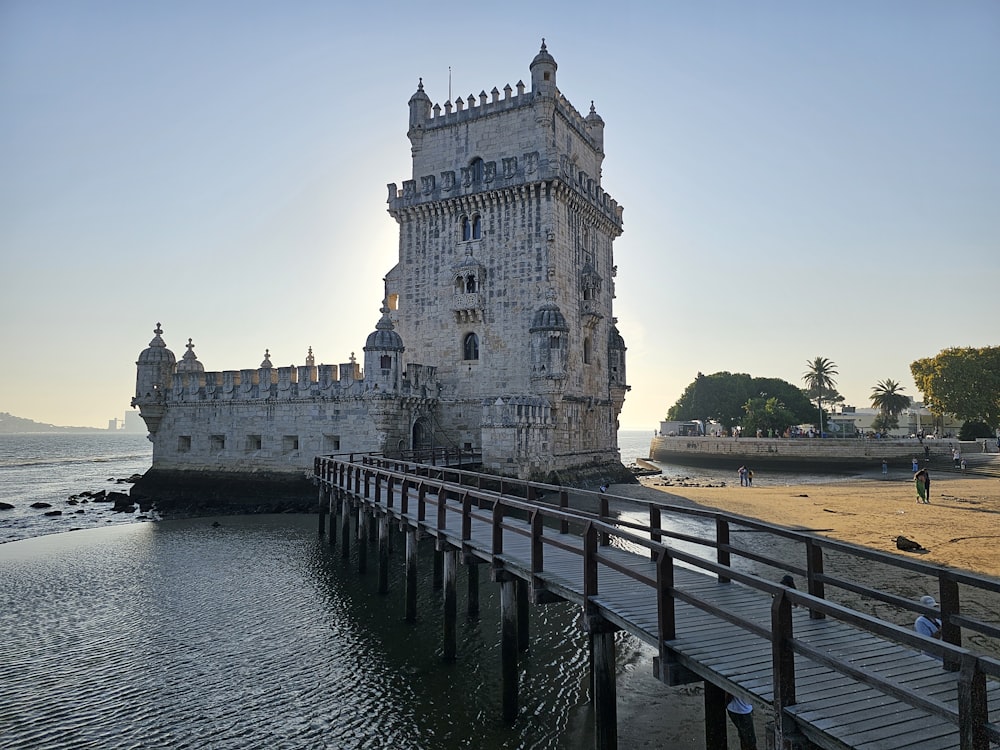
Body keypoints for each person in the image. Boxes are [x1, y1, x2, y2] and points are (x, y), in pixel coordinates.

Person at [914, 595, 942, 659]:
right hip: (931, 656)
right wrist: (941, 630)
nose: (933, 609)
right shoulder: (920, 622)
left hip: (941, 653)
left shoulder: (938, 619)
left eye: (934, 607)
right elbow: (927, 642)